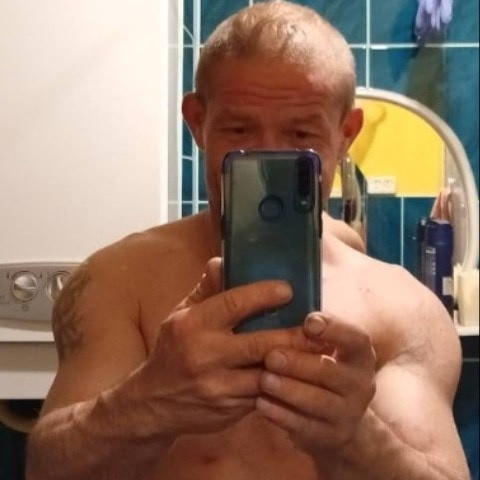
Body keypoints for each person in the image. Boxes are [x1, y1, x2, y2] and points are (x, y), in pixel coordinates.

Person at [26, 1, 470, 479]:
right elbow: (47, 471)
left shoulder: (407, 311)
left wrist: (357, 439)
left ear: (346, 134)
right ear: (197, 122)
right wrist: (147, 403)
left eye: (300, 134)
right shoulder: (118, 283)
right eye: (239, 130)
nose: (267, 160)